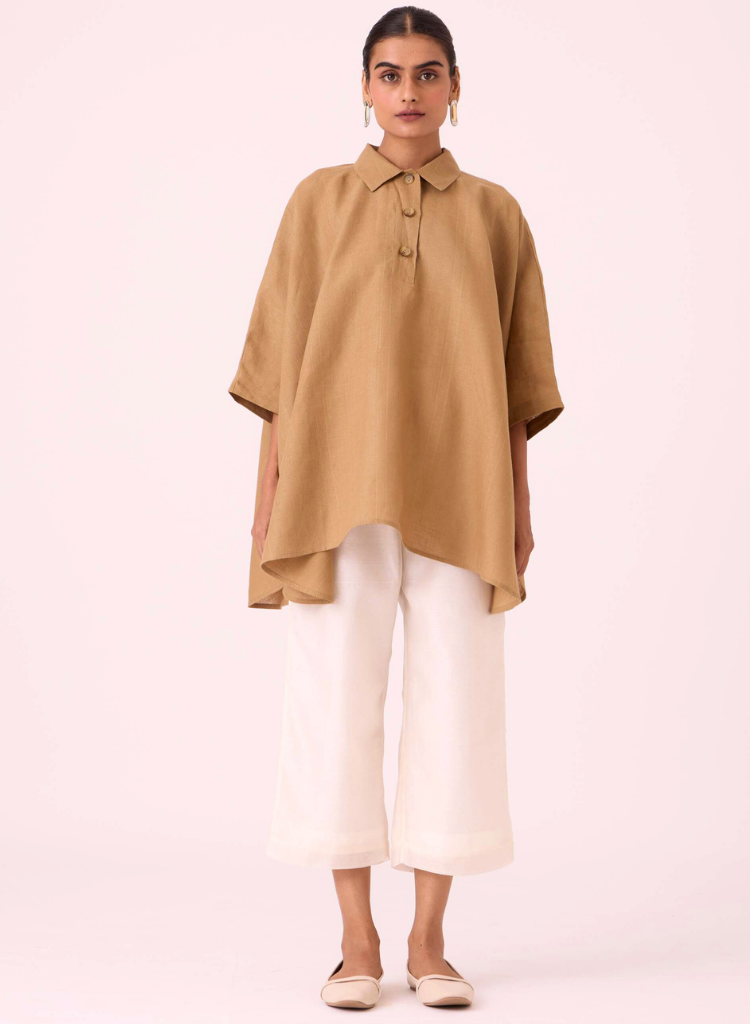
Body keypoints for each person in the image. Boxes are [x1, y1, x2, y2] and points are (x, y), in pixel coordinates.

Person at [227, 6, 564, 1010]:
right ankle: (355, 941)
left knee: (458, 702)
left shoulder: (496, 214)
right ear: (365, 88)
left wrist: (519, 503)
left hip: (462, 486)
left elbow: (517, 383)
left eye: (426, 73)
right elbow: (280, 369)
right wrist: (266, 503)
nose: (408, 92)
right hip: (334, 488)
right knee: (334, 702)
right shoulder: (317, 203)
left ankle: (430, 940)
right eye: (389, 73)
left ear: (455, 87)